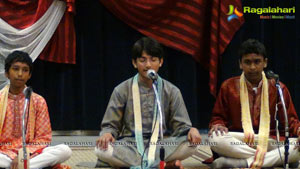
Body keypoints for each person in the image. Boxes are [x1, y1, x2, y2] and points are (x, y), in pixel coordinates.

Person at [95, 37, 201, 169]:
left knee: (192, 144)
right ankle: (163, 165)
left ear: (161, 62)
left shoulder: (172, 91)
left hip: (161, 144)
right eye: (142, 60)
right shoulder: (121, 90)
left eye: (153, 59)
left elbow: (182, 127)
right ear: (134, 63)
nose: (148, 65)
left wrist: (191, 130)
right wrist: (107, 134)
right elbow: (110, 125)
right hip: (130, 145)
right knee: (101, 149)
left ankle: (137, 165)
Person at [207, 39, 300, 168]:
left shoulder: (278, 88)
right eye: (247, 62)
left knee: (297, 145)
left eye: (257, 62)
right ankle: (277, 158)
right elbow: (218, 118)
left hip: (269, 140)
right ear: (240, 64)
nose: (252, 67)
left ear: (265, 63)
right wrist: (218, 125)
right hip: (241, 140)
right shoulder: (228, 86)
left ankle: (242, 163)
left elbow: (291, 121)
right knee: (215, 139)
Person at [0, 51, 72, 169]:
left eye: (25, 70)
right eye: (15, 69)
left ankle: (20, 166)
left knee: (65, 150)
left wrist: (24, 154)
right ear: (7, 73)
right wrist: (12, 155)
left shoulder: (38, 101)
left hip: (32, 153)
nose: (20, 74)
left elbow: (44, 138)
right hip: (4, 153)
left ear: (29, 75)